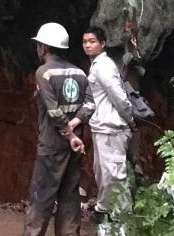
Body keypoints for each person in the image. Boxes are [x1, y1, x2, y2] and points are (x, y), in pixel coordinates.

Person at [22, 23, 90, 236]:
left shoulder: (44, 72)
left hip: (52, 144)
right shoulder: (79, 72)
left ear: (43, 47)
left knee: (42, 194)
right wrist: (75, 125)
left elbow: (53, 111)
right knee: (70, 195)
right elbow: (90, 104)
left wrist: (68, 133)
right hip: (75, 144)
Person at [64, 27, 134, 222]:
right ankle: (105, 211)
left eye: (92, 41)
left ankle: (123, 217)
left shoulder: (104, 66)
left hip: (112, 127)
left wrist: (128, 119)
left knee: (114, 173)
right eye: (85, 41)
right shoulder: (96, 65)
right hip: (103, 127)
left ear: (103, 44)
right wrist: (76, 121)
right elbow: (93, 99)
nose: (87, 45)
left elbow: (119, 96)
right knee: (103, 171)